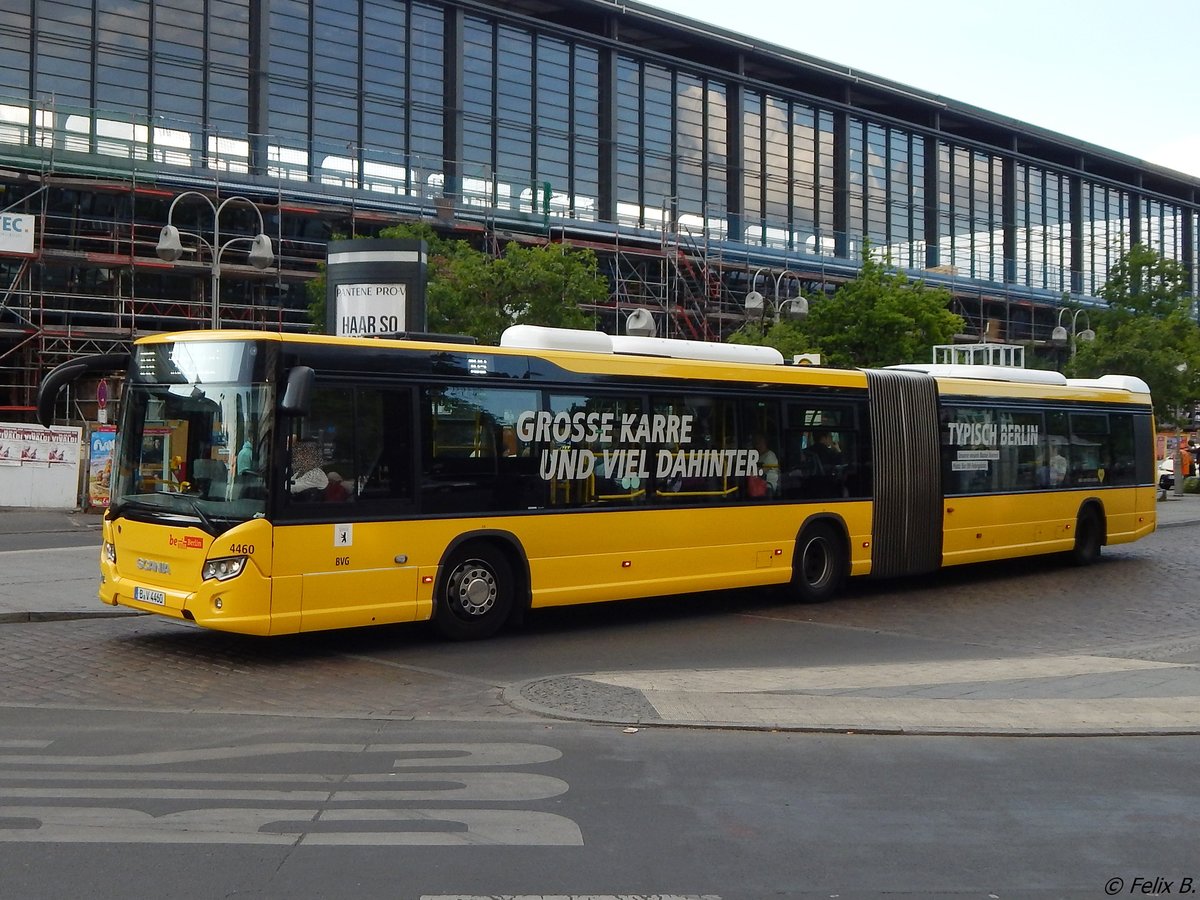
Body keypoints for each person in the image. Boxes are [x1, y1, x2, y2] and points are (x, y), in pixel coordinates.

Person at [749, 432, 780, 498]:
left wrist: (752, 472)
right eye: (756, 442)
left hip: (768, 487)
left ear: (765, 442)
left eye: (759, 442)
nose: (757, 445)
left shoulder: (770, 455)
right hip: (757, 486)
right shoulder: (758, 456)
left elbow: (762, 471)